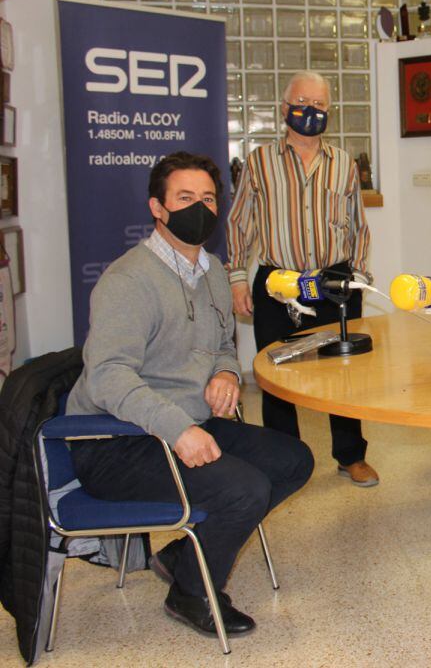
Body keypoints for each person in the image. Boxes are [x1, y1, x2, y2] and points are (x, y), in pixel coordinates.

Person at [66, 151, 314, 637]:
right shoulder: (128, 280)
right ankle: (192, 594)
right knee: (243, 489)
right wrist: (178, 429)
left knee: (294, 460)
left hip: (184, 422)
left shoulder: (213, 270)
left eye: (207, 198)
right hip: (117, 440)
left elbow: (224, 344)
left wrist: (226, 373)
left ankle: (184, 552)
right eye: (184, 198)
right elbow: (108, 376)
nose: (198, 207)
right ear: (157, 208)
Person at [227, 71, 378, 487]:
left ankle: (351, 456)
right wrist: (239, 279)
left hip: (334, 282)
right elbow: (239, 224)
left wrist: (359, 274)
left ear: (329, 111)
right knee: (277, 375)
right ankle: (283, 461)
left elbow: (358, 226)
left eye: (320, 105)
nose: (311, 111)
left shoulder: (344, 163)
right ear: (284, 108)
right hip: (280, 282)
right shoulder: (259, 162)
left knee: (344, 373)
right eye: (303, 102)